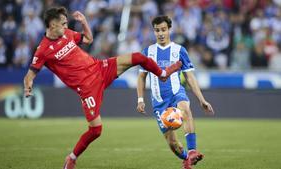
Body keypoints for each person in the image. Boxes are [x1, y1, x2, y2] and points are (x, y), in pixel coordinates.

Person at [23, 7, 182, 169]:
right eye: (63, 24)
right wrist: (28, 86)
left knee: (139, 57)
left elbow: (88, 39)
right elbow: (30, 74)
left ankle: (162, 73)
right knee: (96, 130)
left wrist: (84, 22)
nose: (66, 26)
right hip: (87, 88)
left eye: (66, 23)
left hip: (100, 68)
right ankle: (71, 158)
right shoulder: (42, 50)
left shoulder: (68, 34)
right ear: (52, 25)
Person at [136, 16, 215, 169]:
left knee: (185, 109)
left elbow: (190, 77)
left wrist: (201, 99)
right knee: (172, 143)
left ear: (169, 30)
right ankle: (187, 158)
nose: (160, 33)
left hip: (176, 92)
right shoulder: (148, 52)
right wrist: (140, 99)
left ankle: (192, 150)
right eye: (157, 30)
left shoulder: (179, 50)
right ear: (154, 31)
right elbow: (141, 77)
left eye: (163, 30)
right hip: (159, 102)